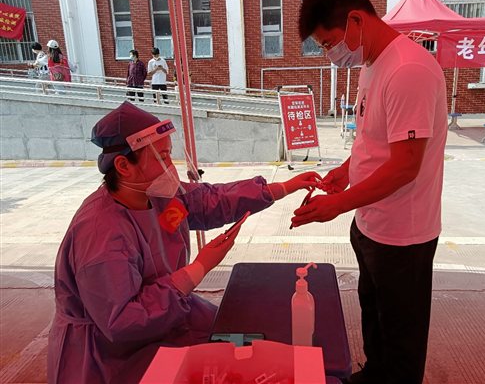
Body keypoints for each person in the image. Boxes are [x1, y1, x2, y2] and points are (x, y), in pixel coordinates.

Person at [47, 101, 319, 383]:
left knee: (243, 338)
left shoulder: (157, 195)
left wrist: (282, 188)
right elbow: (122, 321)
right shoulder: (100, 234)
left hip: (167, 313)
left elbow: (210, 201)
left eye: (169, 155)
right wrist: (197, 270)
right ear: (124, 165)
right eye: (162, 157)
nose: (170, 168)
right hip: (111, 353)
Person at [293, 0, 447, 384]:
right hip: (370, 224)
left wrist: (336, 205)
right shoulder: (373, 64)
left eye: (329, 43)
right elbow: (373, 139)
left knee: (401, 337)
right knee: (375, 319)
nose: (329, 55)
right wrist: (346, 170)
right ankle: (375, 373)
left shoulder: (408, 70)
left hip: (403, 235)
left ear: (356, 20)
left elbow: (405, 166)